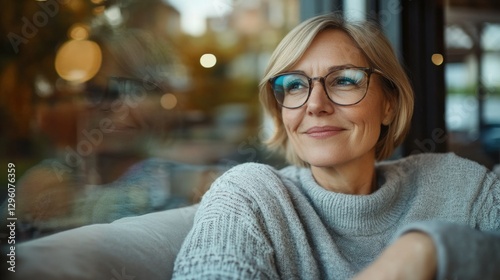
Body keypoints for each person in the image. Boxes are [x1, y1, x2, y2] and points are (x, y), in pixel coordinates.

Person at [172, 13, 500, 279]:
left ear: (388, 105)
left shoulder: (458, 185)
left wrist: (429, 249)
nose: (315, 105)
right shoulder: (249, 195)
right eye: (295, 85)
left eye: (344, 80)